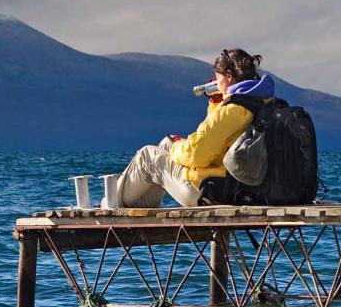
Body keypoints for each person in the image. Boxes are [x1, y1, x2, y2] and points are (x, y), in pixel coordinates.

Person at [113, 48, 275, 208]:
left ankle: (112, 204)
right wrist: (216, 102)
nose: (216, 83)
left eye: (218, 79)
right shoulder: (261, 102)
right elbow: (219, 142)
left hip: (212, 190)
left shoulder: (233, 111)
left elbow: (198, 155)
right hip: (240, 187)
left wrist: (177, 146)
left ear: (229, 76)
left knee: (147, 156)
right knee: (165, 145)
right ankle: (136, 207)